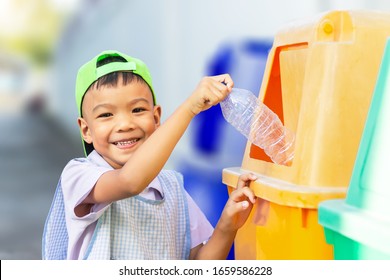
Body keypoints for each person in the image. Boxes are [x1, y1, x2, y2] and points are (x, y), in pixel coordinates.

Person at [42, 50, 257, 260]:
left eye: (137, 110)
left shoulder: (172, 189)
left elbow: (199, 263)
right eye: (106, 114)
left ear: (156, 118)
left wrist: (227, 225)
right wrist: (190, 107)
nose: (125, 124)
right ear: (86, 130)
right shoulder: (79, 176)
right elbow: (129, 182)